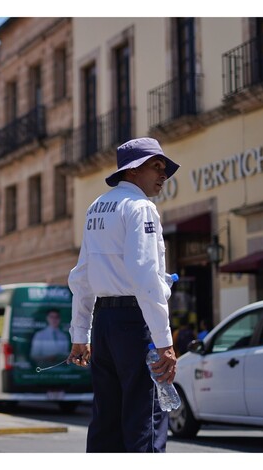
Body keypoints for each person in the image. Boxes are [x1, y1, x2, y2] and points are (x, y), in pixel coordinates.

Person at [68, 136, 180, 453]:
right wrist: (164, 341)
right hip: (134, 323)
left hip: (104, 323)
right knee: (144, 416)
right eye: (155, 167)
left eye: (163, 168)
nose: (162, 174)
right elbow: (145, 275)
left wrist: (81, 332)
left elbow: (83, 274)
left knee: (107, 421)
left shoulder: (96, 207)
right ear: (132, 172)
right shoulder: (141, 207)